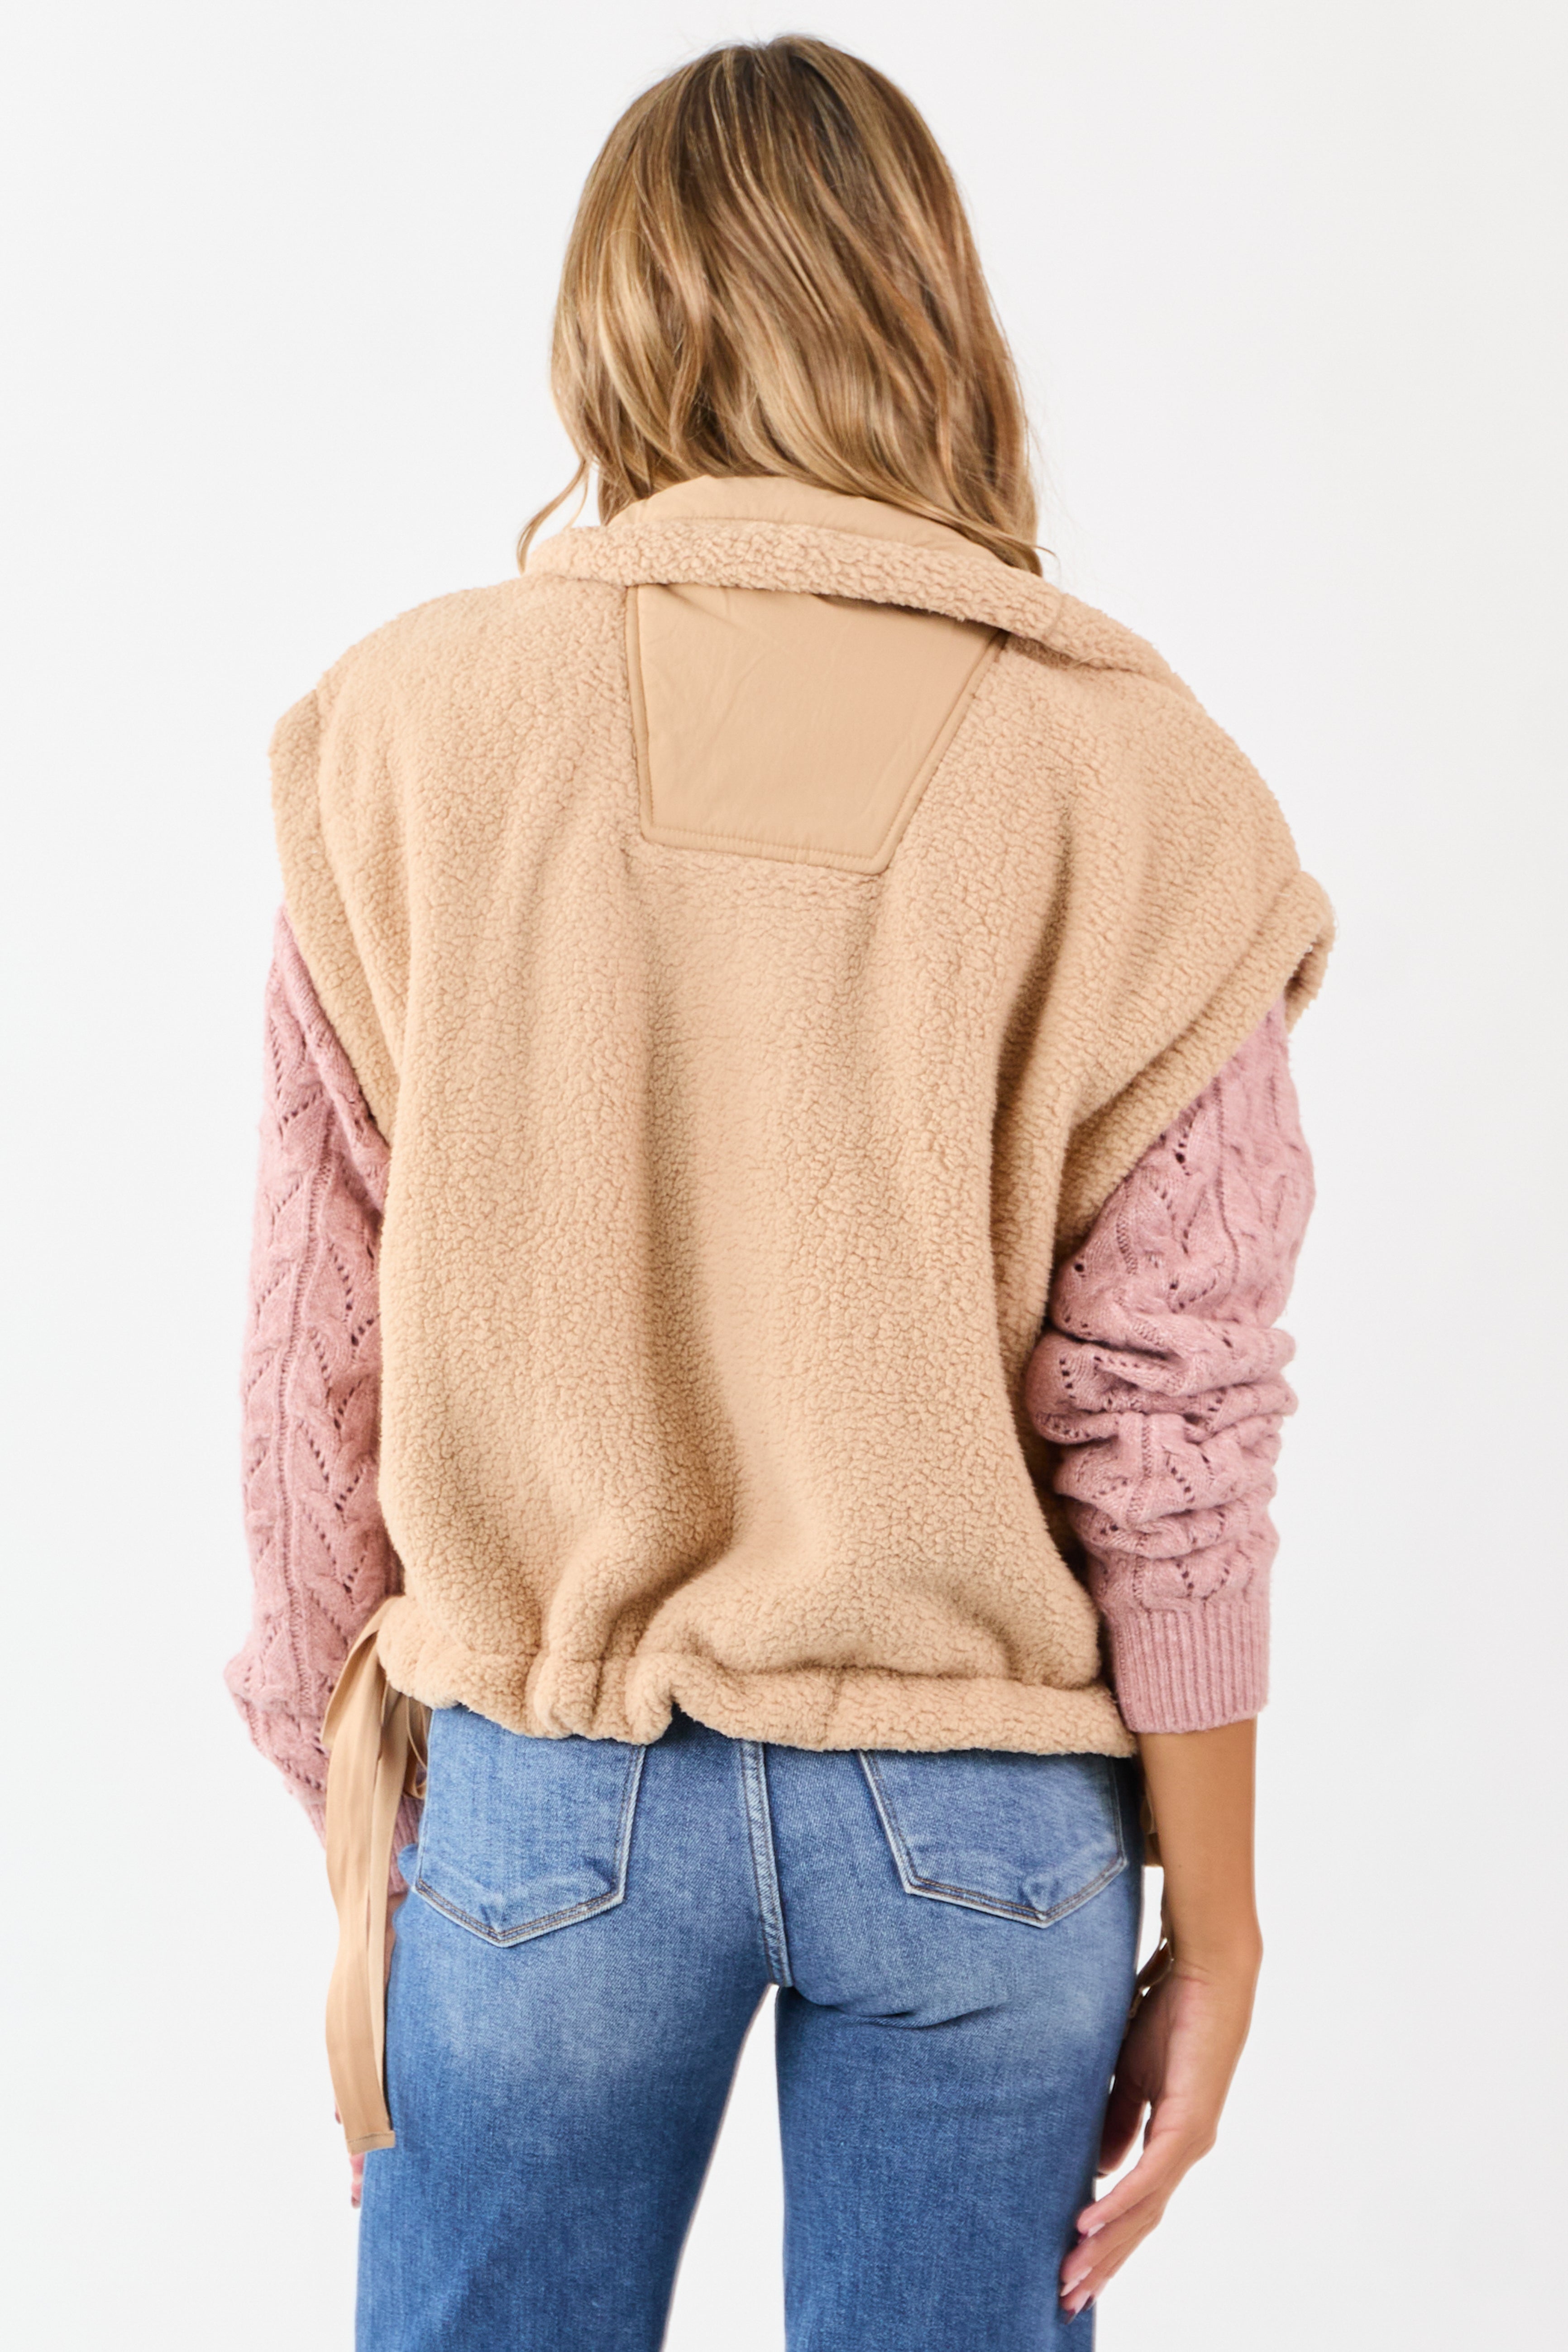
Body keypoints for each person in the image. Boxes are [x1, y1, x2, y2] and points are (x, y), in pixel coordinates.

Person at [227, 35, 1331, 2350]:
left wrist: (360, 1834)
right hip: (984, 1823)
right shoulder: (1141, 787)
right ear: (932, 307)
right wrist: (1215, 1931)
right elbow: (1176, 1419)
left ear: (612, 316)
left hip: (543, 1789)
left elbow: (320, 1351)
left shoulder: (410, 735)